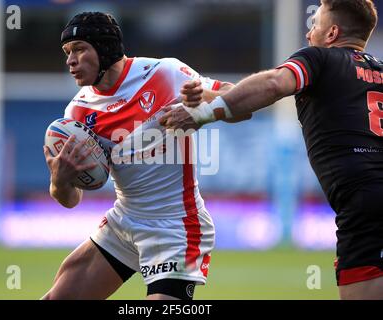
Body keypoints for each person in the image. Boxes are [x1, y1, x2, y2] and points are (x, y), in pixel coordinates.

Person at [160, 0, 383, 299]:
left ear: (331, 34)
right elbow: (251, 95)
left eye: (314, 25)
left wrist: (203, 113)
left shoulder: (318, 59)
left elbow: (275, 84)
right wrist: (209, 96)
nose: (308, 34)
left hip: (364, 199)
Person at [41, 11, 249, 300]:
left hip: (176, 227)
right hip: (124, 222)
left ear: (104, 48)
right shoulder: (77, 112)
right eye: (67, 52)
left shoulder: (164, 73)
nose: (70, 61)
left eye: (79, 49)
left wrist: (202, 104)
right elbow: (71, 200)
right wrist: (59, 181)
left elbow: (240, 101)